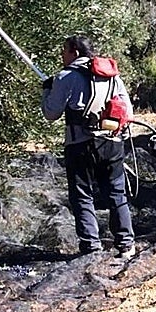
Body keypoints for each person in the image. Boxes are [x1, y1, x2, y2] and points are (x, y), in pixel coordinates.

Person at [41, 35, 136, 260]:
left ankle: (91, 246)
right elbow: (128, 113)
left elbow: (50, 113)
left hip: (80, 146)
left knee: (82, 195)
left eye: (64, 51)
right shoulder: (113, 76)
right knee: (116, 193)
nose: (62, 56)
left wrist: (47, 90)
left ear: (74, 52)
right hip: (112, 144)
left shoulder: (65, 77)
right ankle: (126, 245)